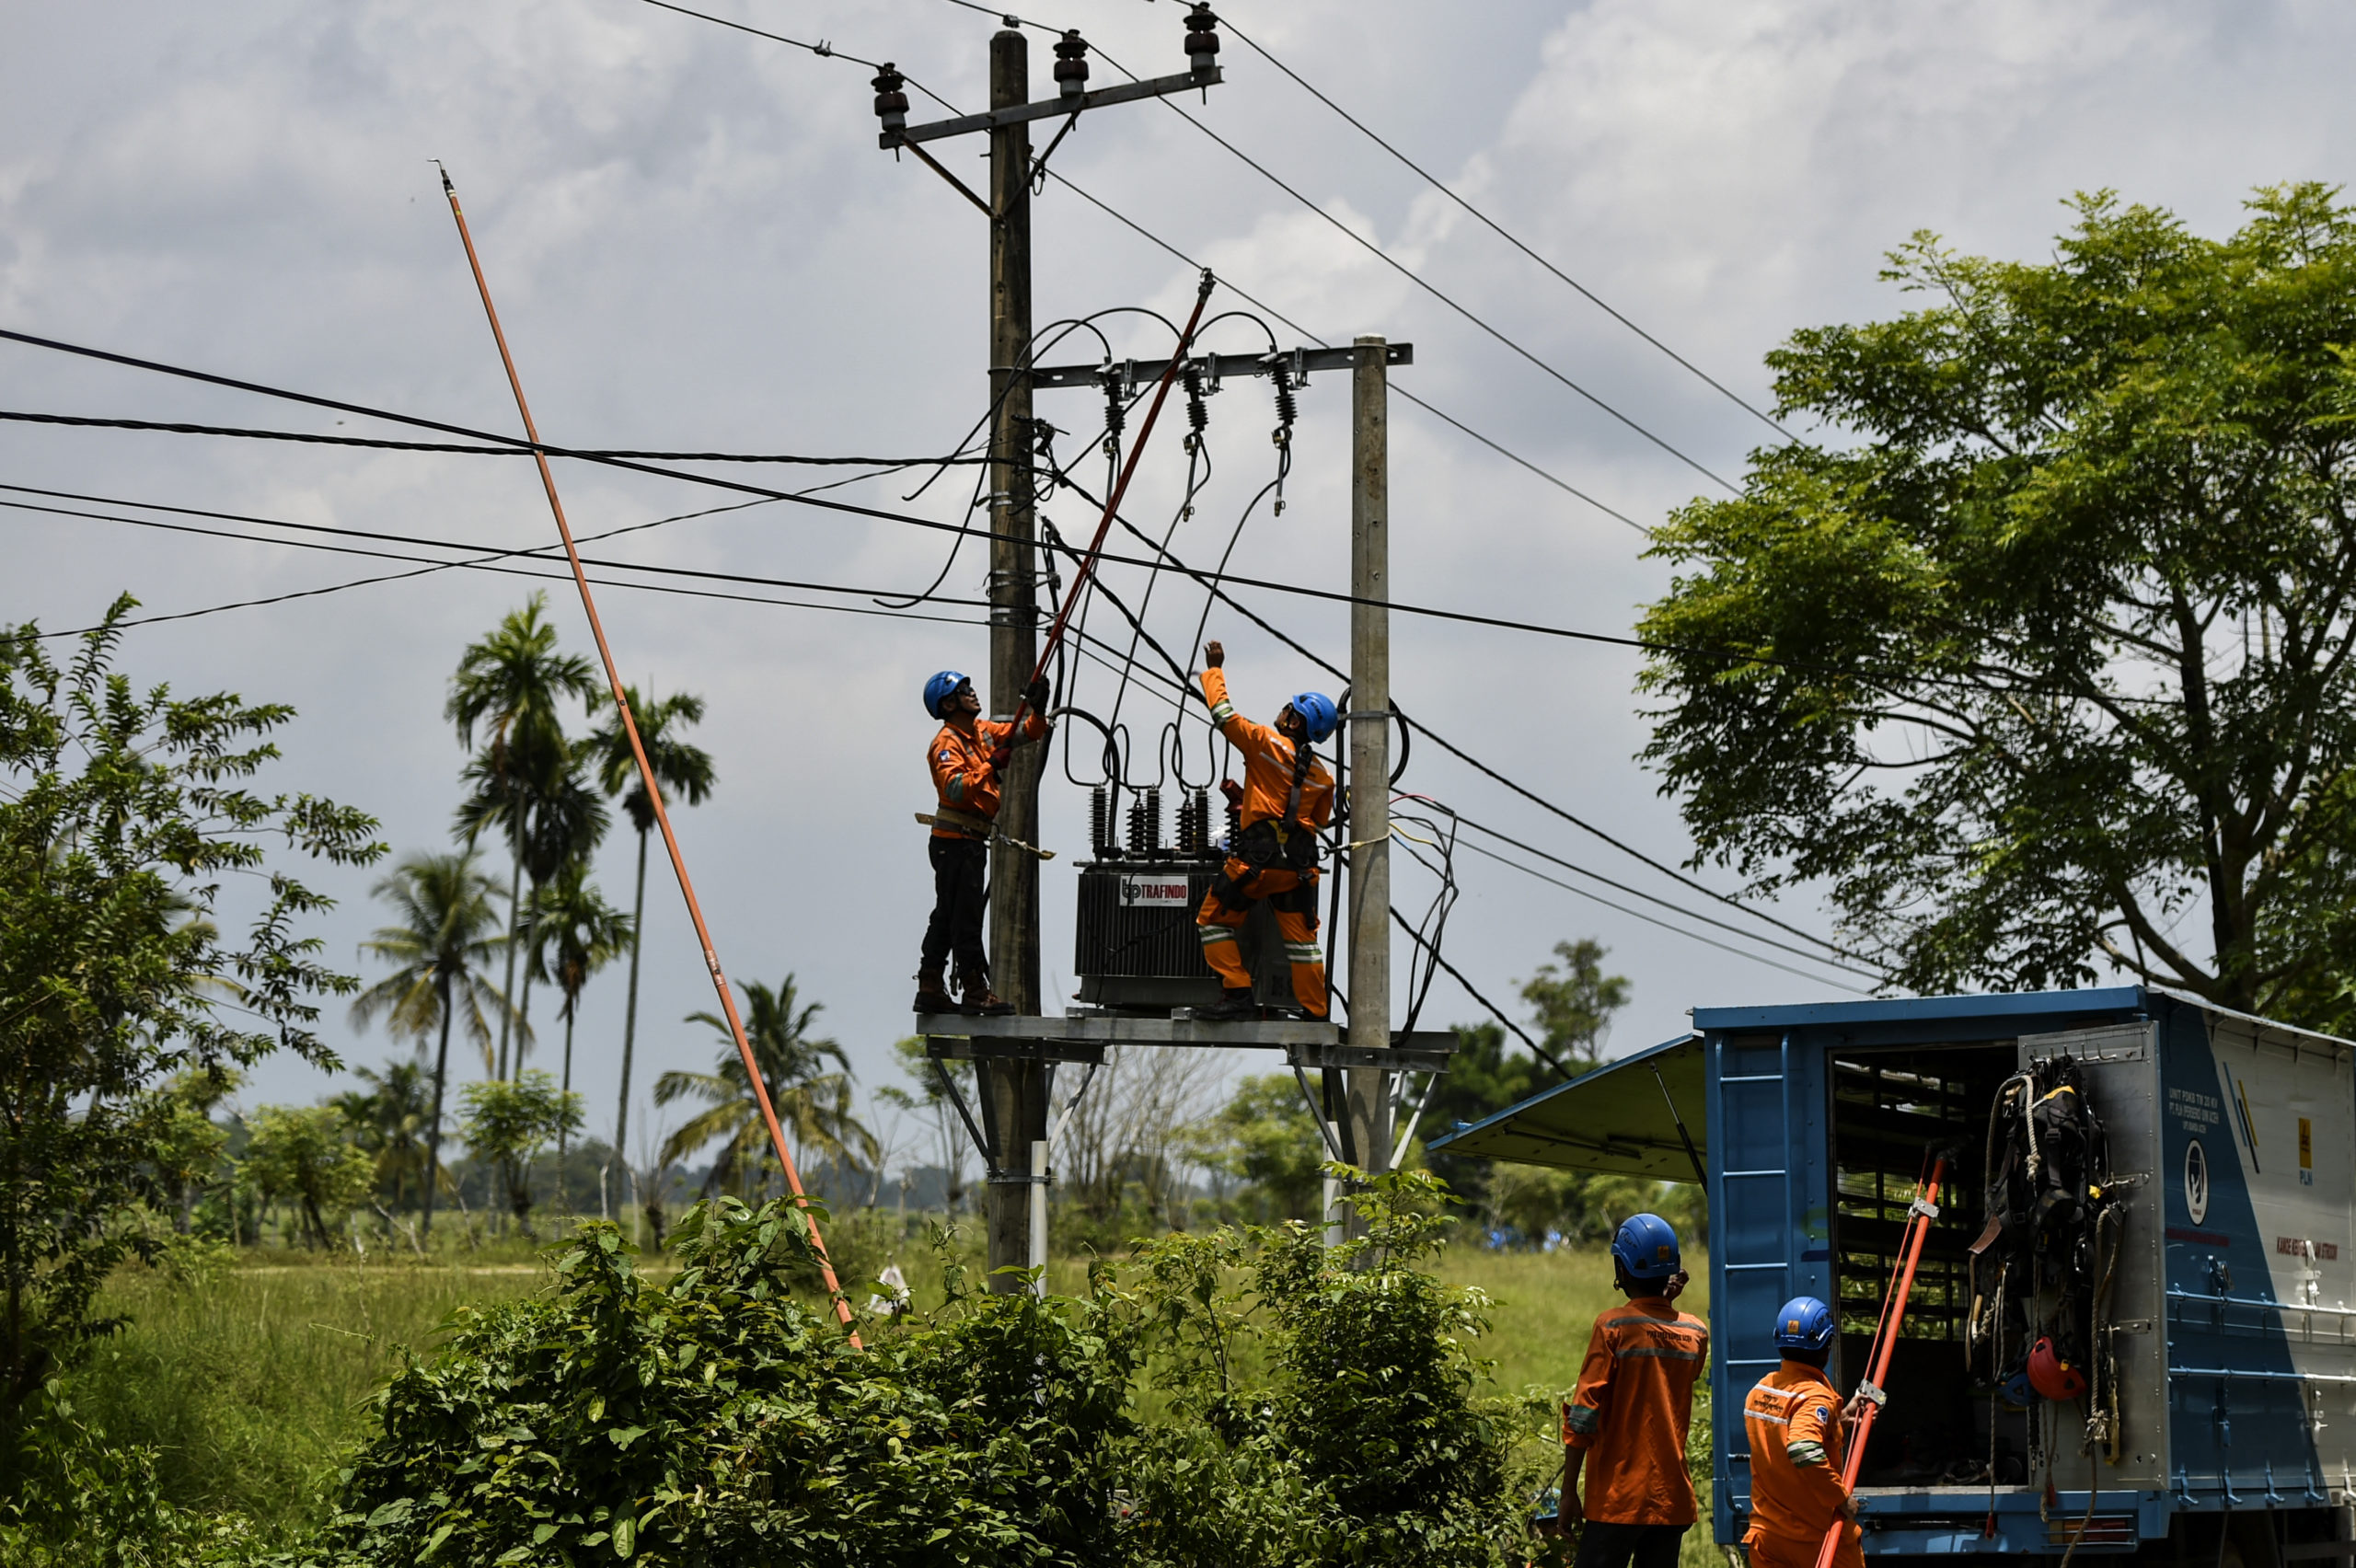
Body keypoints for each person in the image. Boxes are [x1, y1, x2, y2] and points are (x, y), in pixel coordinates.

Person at [1192, 640, 1337, 1020]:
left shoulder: (1263, 742)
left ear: (1294, 720)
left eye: (1289, 709)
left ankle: (1238, 994)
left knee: (1212, 920)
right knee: (1303, 944)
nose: (1282, 711)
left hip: (1256, 864)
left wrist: (1215, 669)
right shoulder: (1324, 776)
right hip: (1298, 872)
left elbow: (1222, 714)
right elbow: (1319, 822)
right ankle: (1316, 1011)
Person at [1560, 1213, 1710, 1568]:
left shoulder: (1613, 1325)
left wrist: (1568, 1492)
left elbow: (1583, 1416)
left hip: (1617, 1500)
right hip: (1670, 1501)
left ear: (1623, 1270)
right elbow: (1670, 1380)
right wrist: (1666, 1306)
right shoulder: (1695, 1333)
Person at [914, 669, 1048, 1016]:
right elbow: (955, 788)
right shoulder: (946, 743)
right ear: (948, 703)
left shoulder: (983, 731)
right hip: (954, 841)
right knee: (966, 919)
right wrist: (990, 765)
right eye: (964, 690)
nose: (973, 693)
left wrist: (1039, 708)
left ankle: (930, 985)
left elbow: (1027, 733)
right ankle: (974, 989)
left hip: (969, 839)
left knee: (947, 916)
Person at [1740, 1297, 1863, 1568]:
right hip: (1814, 1539)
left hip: (1768, 1538)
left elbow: (1781, 1437)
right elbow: (1802, 1449)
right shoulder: (1815, 1397)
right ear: (1827, 1345)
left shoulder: (1760, 1391)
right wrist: (1841, 1499)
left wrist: (1838, 1421)